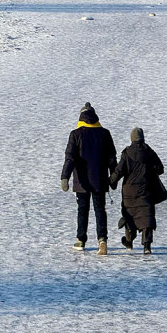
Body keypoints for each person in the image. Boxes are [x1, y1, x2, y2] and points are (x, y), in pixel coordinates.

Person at [60, 102, 118, 254]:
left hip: (82, 181)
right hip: (100, 179)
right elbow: (112, 158)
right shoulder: (105, 133)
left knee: (82, 210)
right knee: (100, 209)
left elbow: (70, 158)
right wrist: (113, 177)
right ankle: (102, 239)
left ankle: (80, 240)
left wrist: (65, 176)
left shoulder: (76, 134)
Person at [109, 127, 167, 255]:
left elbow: (119, 171)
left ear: (132, 138)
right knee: (146, 217)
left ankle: (129, 241)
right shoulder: (149, 152)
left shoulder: (127, 153)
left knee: (130, 215)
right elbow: (160, 169)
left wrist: (111, 182)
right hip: (145, 190)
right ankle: (147, 246)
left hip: (129, 192)